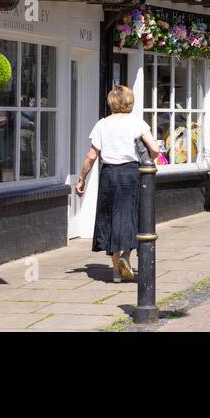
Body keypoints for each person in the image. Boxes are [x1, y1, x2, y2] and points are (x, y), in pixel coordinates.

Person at [75, 85, 164, 283]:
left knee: (113, 218)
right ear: (130, 101)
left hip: (109, 174)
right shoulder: (137, 123)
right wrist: (153, 152)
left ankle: (115, 272)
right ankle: (126, 255)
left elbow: (91, 156)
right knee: (133, 215)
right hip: (132, 173)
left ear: (111, 102)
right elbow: (154, 150)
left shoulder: (102, 124)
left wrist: (82, 178)